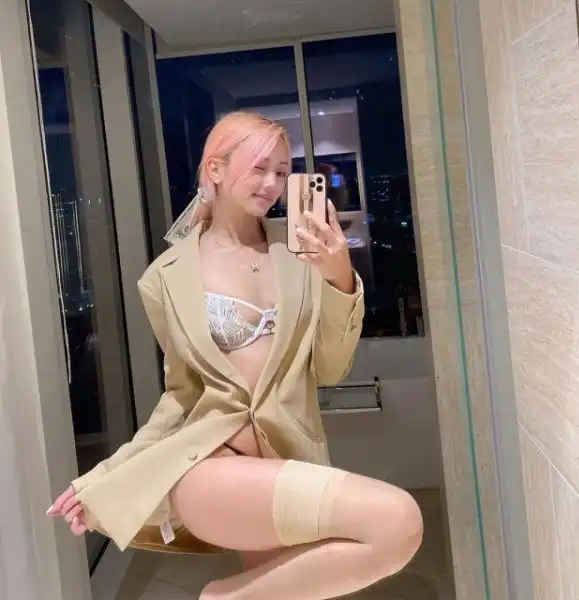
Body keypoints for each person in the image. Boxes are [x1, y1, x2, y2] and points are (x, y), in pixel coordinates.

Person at [47, 111, 423, 600]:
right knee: (397, 521)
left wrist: (338, 279)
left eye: (282, 172)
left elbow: (330, 368)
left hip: (286, 455)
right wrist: (107, 475)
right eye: (259, 168)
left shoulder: (301, 256)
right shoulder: (165, 278)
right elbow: (180, 398)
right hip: (210, 467)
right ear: (215, 169)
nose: (272, 184)